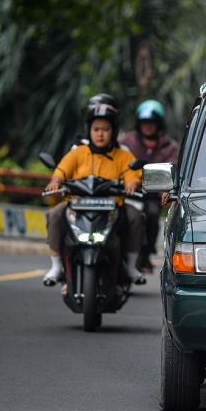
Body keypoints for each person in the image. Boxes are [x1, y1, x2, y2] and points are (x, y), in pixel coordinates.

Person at [42, 93, 146, 287]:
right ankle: (56, 265)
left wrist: (132, 183)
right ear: (88, 130)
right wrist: (55, 181)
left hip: (112, 209)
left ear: (113, 131)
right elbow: (62, 169)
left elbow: (132, 173)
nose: (100, 134)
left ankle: (131, 266)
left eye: (105, 129)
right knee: (54, 215)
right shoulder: (78, 153)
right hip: (77, 206)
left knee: (136, 217)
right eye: (96, 129)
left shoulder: (123, 155)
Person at [121, 100, 179, 273]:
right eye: (145, 123)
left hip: (153, 196)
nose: (148, 127)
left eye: (152, 123)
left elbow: (174, 169)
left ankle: (146, 253)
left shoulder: (170, 147)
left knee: (153, 214)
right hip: (128, 193)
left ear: (159, 124)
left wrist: (166, 188)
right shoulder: (127, 142)